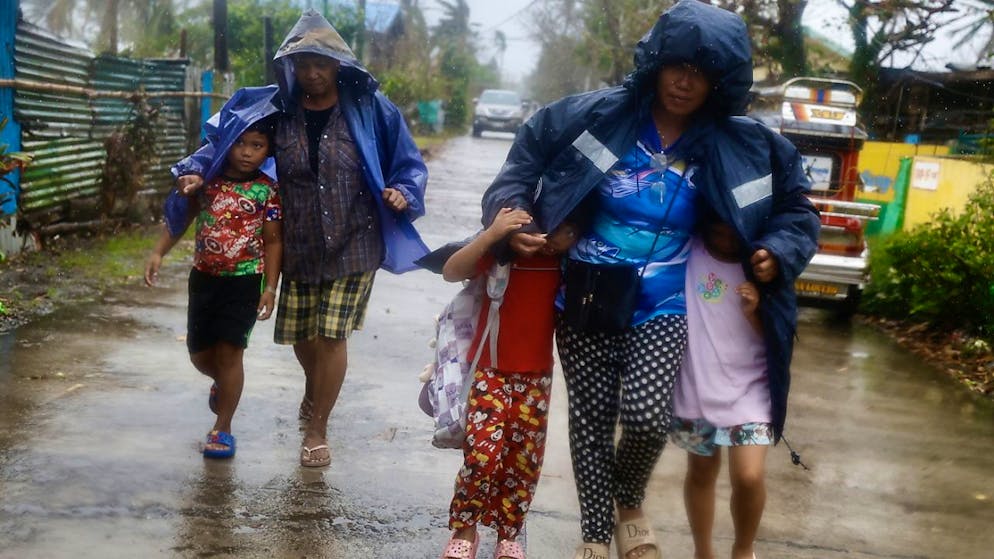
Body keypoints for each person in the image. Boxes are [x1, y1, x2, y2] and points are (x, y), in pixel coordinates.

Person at [478, 2, 820, 558]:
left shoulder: (743, 142)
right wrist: (516, 214)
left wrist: (777, 251)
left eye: (701, 73)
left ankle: (629, 498)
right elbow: (525, 157)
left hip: (665, 302)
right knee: (590, 422)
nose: (685, 82)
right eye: (676, 66)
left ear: (719, 82)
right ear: (656, 64)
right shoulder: (597, 115)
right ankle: (594, 532)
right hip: (587, 293)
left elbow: (798, 209)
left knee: (644, 416)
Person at [172, 9, 429, 468]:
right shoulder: (275, 111)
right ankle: (316, 389)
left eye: (322, 64)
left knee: (331, 336)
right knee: (301, 338)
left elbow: (407, 163)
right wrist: (193, 171)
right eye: (303, 64)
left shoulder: (370, 110)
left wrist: (403, 192)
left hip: (355, 240)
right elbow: (223, 140)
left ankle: (317, 428)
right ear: (289, 67)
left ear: (338, 67)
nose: (312, 73)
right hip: (298, 244)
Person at [144, 102, 283, 460]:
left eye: (258, 145)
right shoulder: (207, 181)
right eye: (241, 143)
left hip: (245, 282)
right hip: (204, 279)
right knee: (201, 353)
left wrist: (270, 287)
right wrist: (159, 252)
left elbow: (273, 241)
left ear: (268, 151)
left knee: (231, 351)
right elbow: (180, 219)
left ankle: (223, 427)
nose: (248, 153)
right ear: (228, 143)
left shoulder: (268, 191)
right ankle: (220, 381)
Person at [438, 209, 579, 559]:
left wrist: (572, 237)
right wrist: (492, 234)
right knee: (482, 455)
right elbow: (451, 271)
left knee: (522, 462)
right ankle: (465, 529)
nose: (545, 239)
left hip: (536, 378)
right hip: (491, 370)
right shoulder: (502, 254)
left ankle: (508, 533)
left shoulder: (567, 264)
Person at [671, 213, 771, 559]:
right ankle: (703, 552)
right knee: (700, 471)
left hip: (751, 389)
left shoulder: (763, 264)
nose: (726, 239)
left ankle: (743, 549)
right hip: (696, 384)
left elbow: (780, 341)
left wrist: (754, 311)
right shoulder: (690, 251)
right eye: (718, 231)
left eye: (734, 233)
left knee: (748, 475)